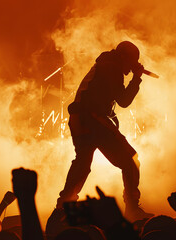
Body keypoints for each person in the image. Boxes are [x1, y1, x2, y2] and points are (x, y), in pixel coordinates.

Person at [56, 41, 153, 221]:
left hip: (80, 119)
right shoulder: (112, 67)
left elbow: (99, 97)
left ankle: (62, 208)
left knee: (82, 164)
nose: (132, 67)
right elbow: (124, 100)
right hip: (93, 120)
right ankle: (132, 209)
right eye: (132, 62)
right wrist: (137, 78)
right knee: (131, 160)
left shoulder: (105, 64)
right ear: (123, 56)